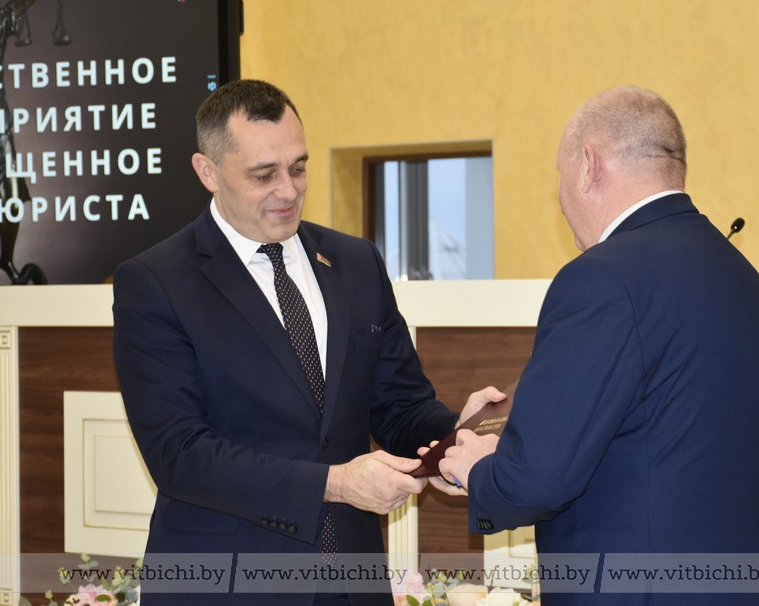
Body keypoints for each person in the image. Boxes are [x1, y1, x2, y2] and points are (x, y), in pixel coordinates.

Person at [113, 79, 497, 606]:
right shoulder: (156, 282)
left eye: (298, 168)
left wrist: (454, 434)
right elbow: (179, 454)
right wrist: (334, 484)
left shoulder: (356, 262)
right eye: (263, 175)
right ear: (208, 172)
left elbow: (398, 404)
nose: (289, 191)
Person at [438, 86, 759, 605]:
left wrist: (477, 469)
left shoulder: (599, 279)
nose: (561, 200)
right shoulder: (743, 276)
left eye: (559, 175)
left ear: (588, 166)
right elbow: (660, 434)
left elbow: (537, 481)